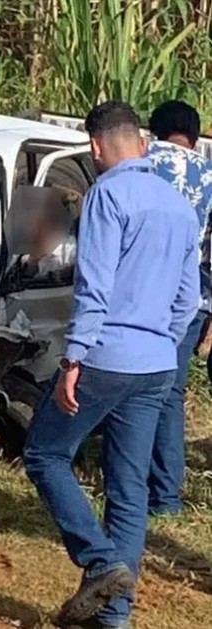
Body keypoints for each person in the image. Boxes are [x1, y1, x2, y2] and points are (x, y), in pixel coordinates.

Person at [23, 101, 200, 629]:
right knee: (128, 489)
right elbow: (187, 299)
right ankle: (114, 615)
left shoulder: (107, 194)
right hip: (156, 364)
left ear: (96, 147)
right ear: (142, 144)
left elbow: (93, 287)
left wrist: (74, 357)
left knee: (45, 453)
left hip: (105, 356)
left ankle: (100, 561)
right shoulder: (177, 204)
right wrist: (160, 344)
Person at [146, 100, 212, 516]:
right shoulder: (210, 176)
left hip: (141, 295)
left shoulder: (141, 162)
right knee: (170, 392)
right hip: (193, 300)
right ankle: (165, 496)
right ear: (194, 133)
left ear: (155, 130)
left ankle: (128, 480)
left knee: (130, 389)